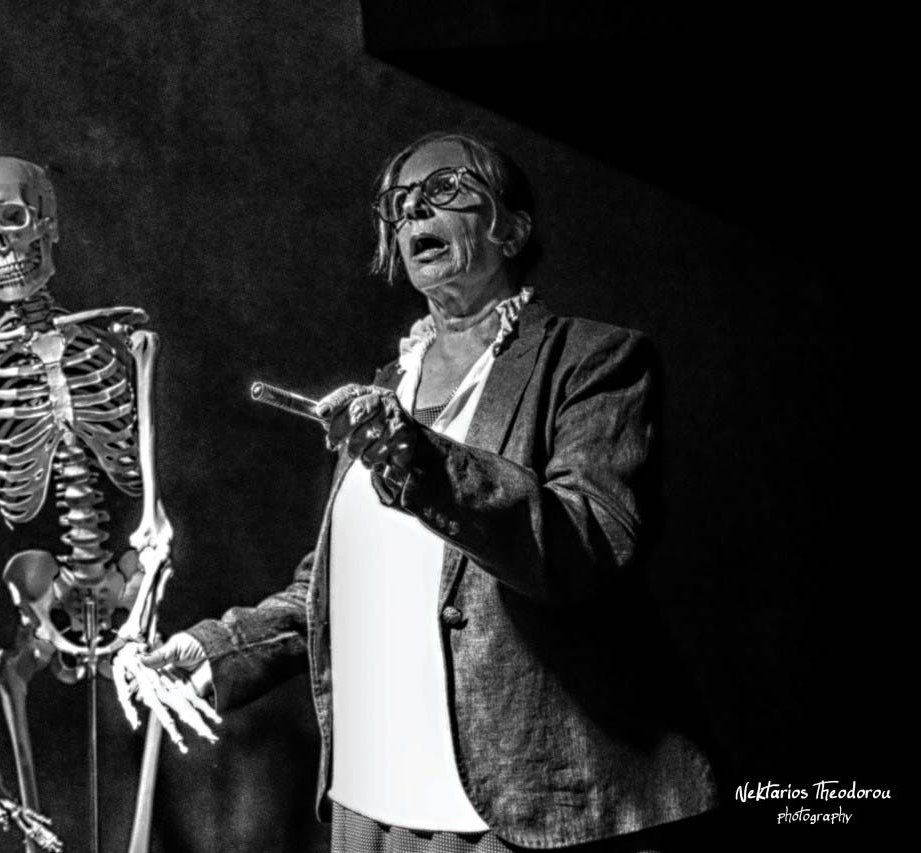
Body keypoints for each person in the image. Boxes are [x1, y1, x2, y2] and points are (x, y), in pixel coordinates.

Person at [140, 131, 722, 852]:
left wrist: (416, 455)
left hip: (517, 806)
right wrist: (220, 647)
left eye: (444, 189)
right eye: (399, 202)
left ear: (512, 229)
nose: (414, 210)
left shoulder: (593, 361)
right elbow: (336, 586)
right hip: (373, 800)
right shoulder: (389, 386)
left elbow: (589, 543)